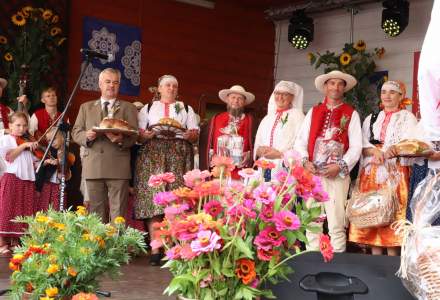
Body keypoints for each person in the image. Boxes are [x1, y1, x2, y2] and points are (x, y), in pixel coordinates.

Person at [294, 70, 362, 253]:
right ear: (325, 87)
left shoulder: (351, 113)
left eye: (340, 84)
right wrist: (304, 161)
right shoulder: (314, 112)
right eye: (332, 83)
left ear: (344, 88)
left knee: (336, 223)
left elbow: (356, 147)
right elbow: (300, 141)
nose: (336, 87)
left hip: (337, 176)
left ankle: (338, 265)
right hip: (313, 174)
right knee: (311, 222)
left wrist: (339, 166)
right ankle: (312, 260)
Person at [348, 80, 418, 256]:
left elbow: (411, 144)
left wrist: (392, 151)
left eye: (392, 92)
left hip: (395, 173)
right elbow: (361, 145)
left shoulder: (407, 118)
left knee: (392, 214)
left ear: (400, 96)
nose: (387, 96)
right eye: (384, 92)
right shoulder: (370, 118)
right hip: (371, 172)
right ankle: (375, 259)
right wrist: (373, 150)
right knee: (373, 213)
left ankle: (393, 260)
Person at [135, 75, 199, 265]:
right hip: (152, 155)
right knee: (153, 200)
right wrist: (144, 135)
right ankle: (155, 247)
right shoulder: (148, 108)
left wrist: (190, 135)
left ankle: (171, 247)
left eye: (174, 86)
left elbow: (195, 134)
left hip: (179, 155)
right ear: (159, 89)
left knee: (176, 201)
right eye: (167, 85)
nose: (171, 88)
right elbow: (139, 134)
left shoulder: (187, 108)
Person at [72, 68, 138, 223]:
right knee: (96, 214)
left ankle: (117, 247)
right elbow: (76, 132)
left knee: (118, 214)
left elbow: (134, 135)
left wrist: (120, 139)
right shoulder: (86, 107)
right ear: (100, 84)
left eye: (115, 82)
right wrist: (86, 136)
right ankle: (98, 246)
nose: (111, 86)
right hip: (93, 166)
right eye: (108, 82)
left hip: (118, 166)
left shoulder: (129, 107)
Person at [0, 112, 38, 255]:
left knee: (21, 210)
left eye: (24, 125)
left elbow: (35, 160)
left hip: (27, 179)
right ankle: (2, 242)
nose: (21, 128)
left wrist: (44, 157)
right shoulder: (6, 139)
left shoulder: (27, 139)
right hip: (12, 177)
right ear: (10, 125)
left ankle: (16, 241)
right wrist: (24, 146)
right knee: (7, 208)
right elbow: (9, 157)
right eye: (17, 125)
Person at [254, 80, 305, 178]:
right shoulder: (268, 117)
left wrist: (280, 154)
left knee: (282, 190)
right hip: (266, 165)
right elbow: (258, 140)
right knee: (266, 189)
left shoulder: (298, 116)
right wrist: (259, 150)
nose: (280, 97)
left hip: (284, 166)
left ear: (292, 97)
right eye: (277, 93)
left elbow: (300, 142)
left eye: (285, 94)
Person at [205, 85, 255, 179]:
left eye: (240, 98)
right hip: (219, 171)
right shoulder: (216, 119)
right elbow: (208, 143)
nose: (236, 101)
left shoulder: (250, 121)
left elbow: (255, 144)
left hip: (241, 171)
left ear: (244, 102)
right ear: (227, 99)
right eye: (233, 97)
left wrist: (249, 155)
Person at [0, 77, 28, 176]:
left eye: (0, 87)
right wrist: (5, 131)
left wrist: (24, 106)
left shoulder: (7, 110)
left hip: (7, 153)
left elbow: (23, 122)